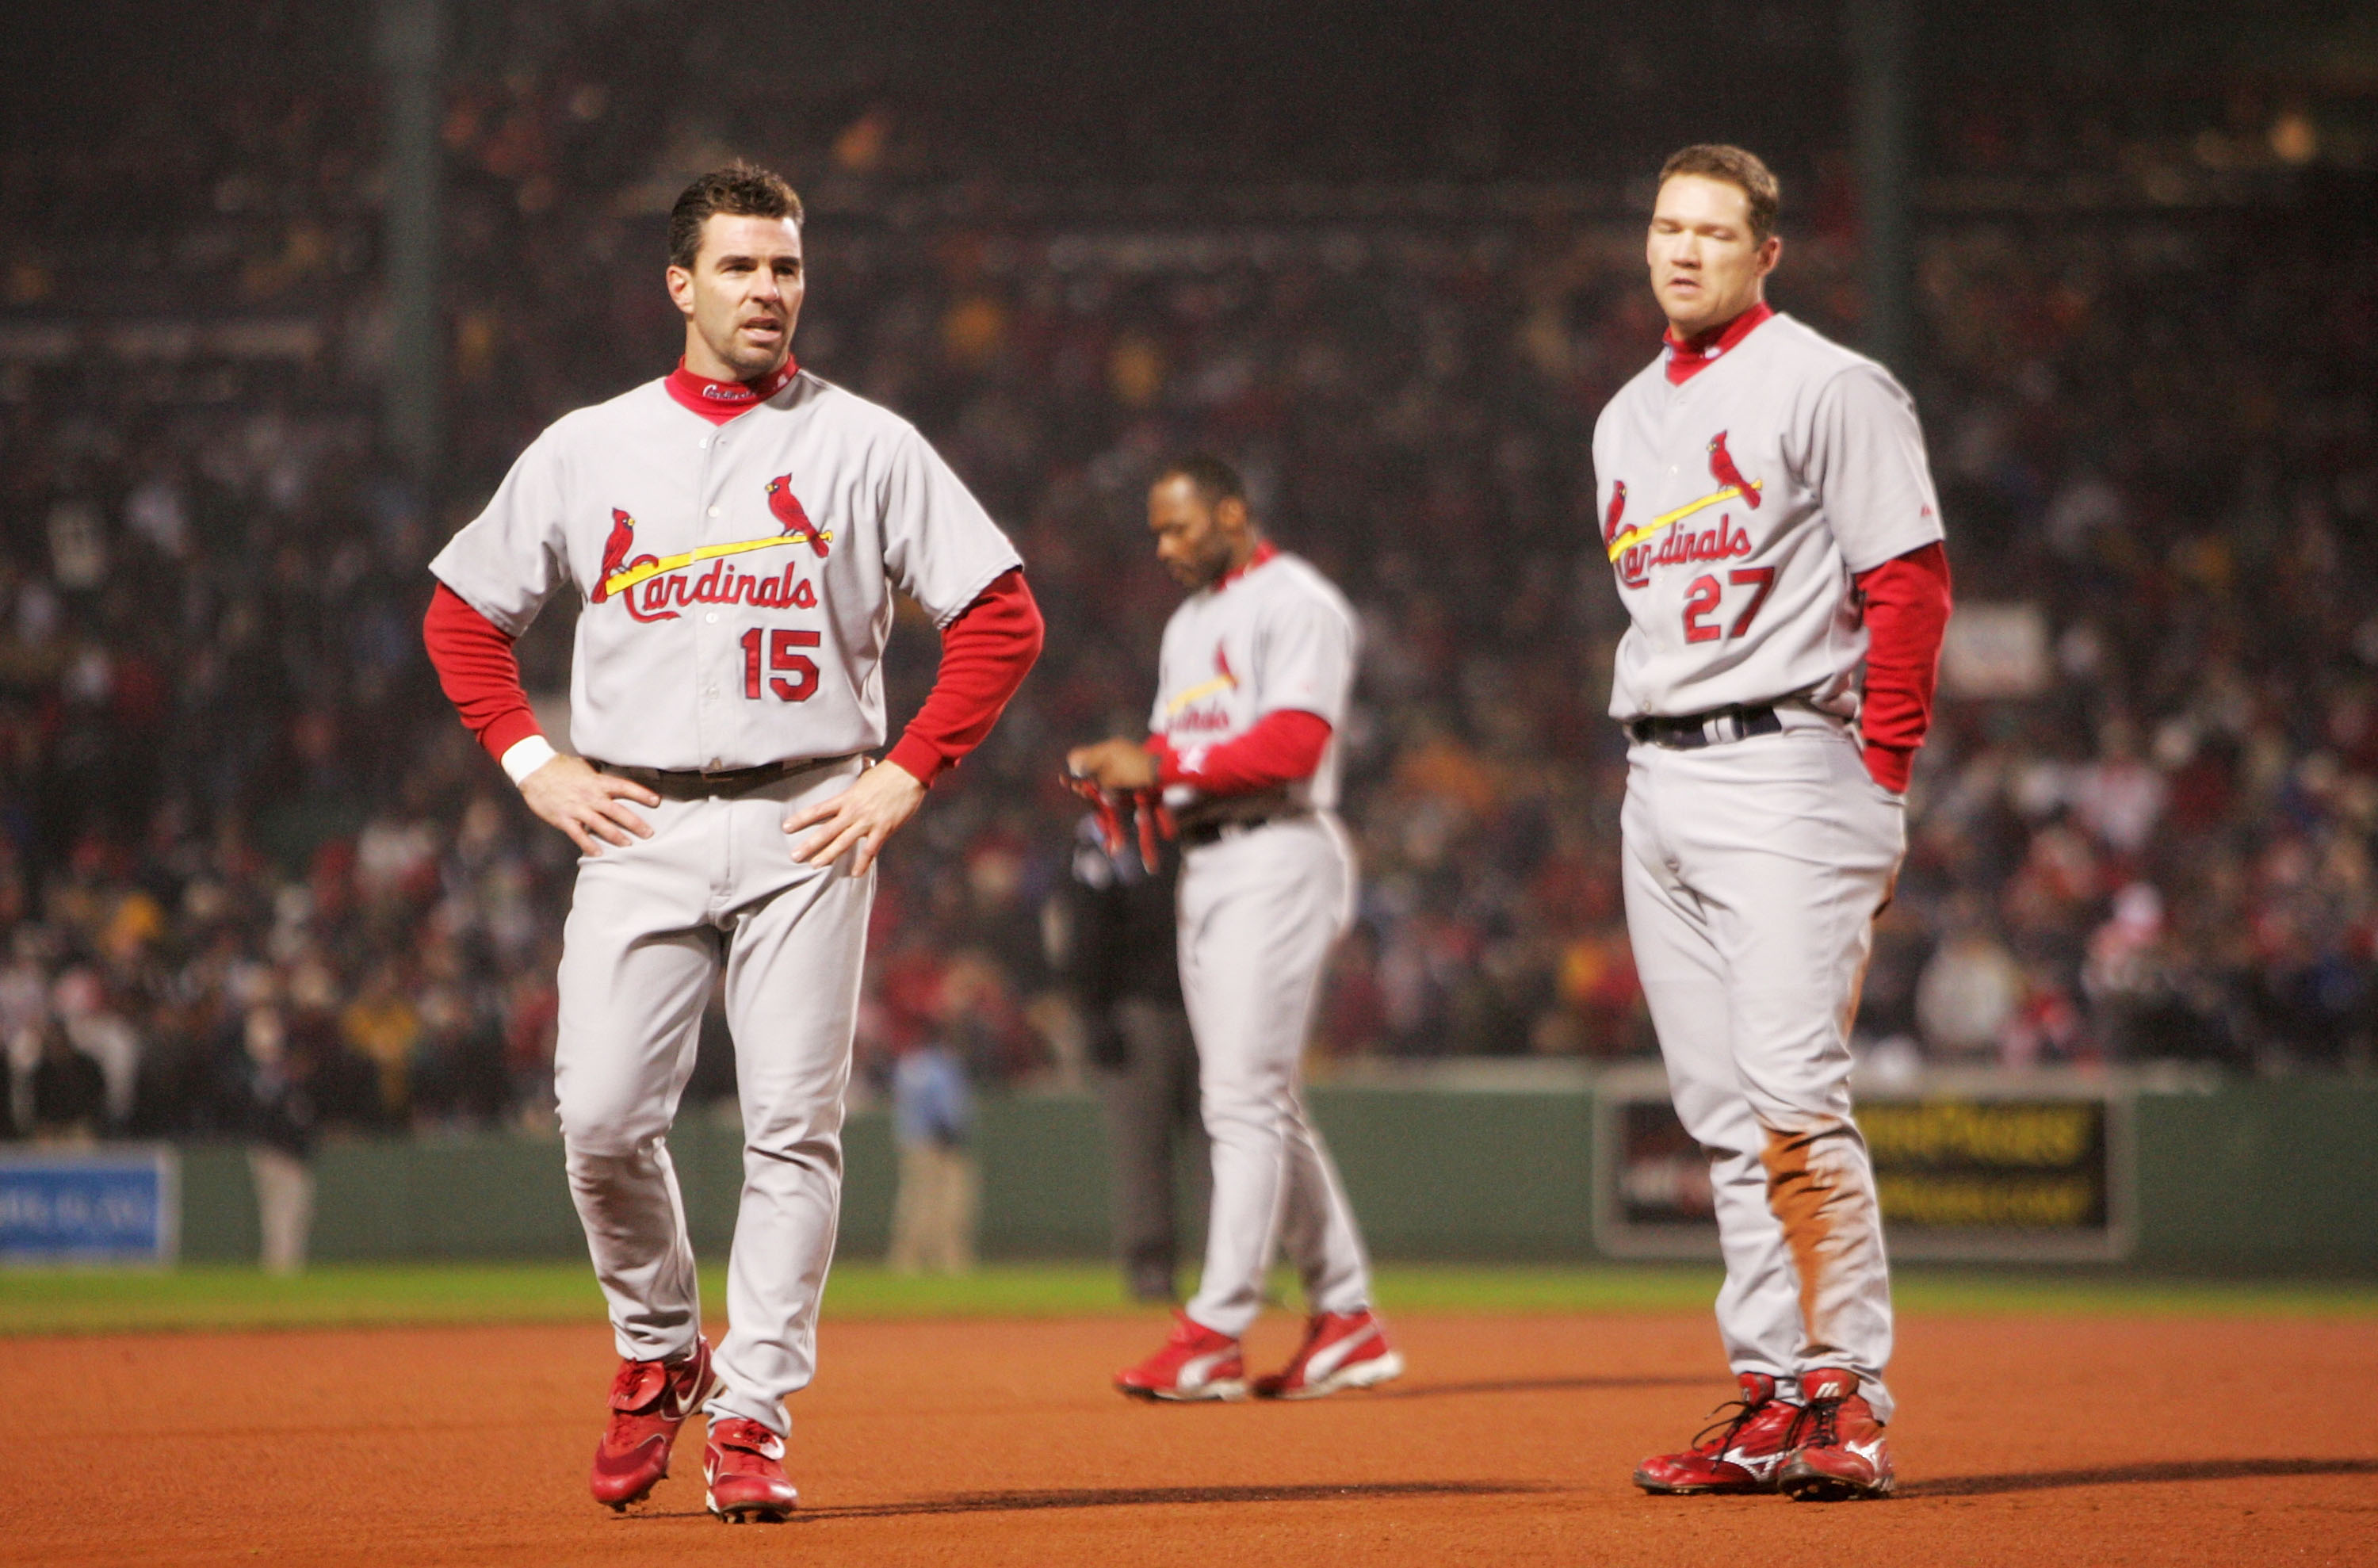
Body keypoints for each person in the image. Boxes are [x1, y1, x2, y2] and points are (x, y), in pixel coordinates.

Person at [422, 161, 1042, 1521]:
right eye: (744, 267)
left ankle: (752, 1410)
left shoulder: (865, 442)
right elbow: (463, 614)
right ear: (680, 285)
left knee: (793, 1129)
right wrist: (532, 760)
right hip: (635, 812)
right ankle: (658, 1344)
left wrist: (906, 773)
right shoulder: (592, 444)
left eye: (788, 267)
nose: (770, 290)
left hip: (809, 810)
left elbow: (1001, 617)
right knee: (596, 1116)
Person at [1596, 146, 1952, 1501]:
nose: (1682, 250)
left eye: (1712, 230)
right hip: (1661, 778)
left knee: (1794, 1094)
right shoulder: (1624, 416)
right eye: (1665, 225)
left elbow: (1910, 582)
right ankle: (1769, 1392)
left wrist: (1882, 768)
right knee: (1721, 1112)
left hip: (1792, 765)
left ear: (1767, 252)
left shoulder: (1828, 383)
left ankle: (1846, 1393)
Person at [1067, 455, 1401, 1402]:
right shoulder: (1188, 624)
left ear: (1231, 513)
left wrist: (1160, 763)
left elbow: (1295, 743)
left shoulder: (1298, 601)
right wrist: (1137, 786)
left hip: (1281, 846)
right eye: (1156, 533)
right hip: (1209, 858)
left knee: (1241, 1097)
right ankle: (1346, 1314)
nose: (1164, 547)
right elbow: (1181, 759)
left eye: (1178, 528)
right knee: (1261, 1099)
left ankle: (1217, 1323)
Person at [1050, 809, 1203, 1303]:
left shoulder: (1204, 817)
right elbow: (1084, 925)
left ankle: (1233, 1271)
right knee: (1142, 1151)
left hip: (1212, 1005)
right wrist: (1094, 1012)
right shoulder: (1106, 829)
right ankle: (1151, 1269)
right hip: (1137, 1011)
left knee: (1226, 1147)